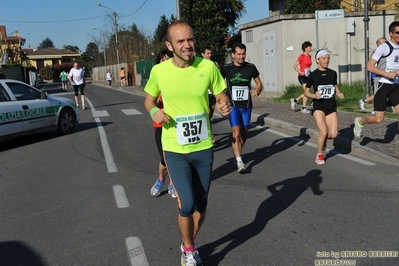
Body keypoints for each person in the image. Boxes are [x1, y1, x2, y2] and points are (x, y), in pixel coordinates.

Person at [144, 20, 231, 266]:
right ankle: (190, 250)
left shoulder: (208, 67)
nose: (187, 45)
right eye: (180, 41)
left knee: (201, 206)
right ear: (169, 45)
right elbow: (149, 100)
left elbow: (221, 95)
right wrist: (154, 113)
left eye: (190, 39)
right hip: (174, 147)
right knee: (187, 204)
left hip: (203, 146)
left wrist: (225, 105)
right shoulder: (159, 71)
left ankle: (186, 243)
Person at [221, 42, 263, 173]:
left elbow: (258, 82)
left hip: (246, 106)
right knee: (236, 132)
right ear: (233, 55)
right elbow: (216, 84)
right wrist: (221, 98)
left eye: (243, 54)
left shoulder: (251, 67)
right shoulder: (226, 69)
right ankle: (239, 161)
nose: (241, 56)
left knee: (244, 133)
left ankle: (237, 149)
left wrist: (257, 90)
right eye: (238, 54)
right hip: (233, 106)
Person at [354, 21, 399, 138]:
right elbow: (369, 66)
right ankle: (360, 122)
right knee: (379, 118)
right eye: (398, 32)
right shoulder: (384, 47)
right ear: (391, 33)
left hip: (396, 85)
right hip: (383, 84)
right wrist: (387, 74)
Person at [304, 50, 344, 165]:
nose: (326, 60)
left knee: (333, 134)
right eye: (324, 58)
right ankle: (320, 154)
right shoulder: (313, 75)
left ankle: (323, 140)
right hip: (318, 106)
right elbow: (306, 92)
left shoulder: (333, 73)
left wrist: (339, 93)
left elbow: (335, 86)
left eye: (328, 58)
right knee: (323, 131)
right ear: (317, 60)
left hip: (331, 106)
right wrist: (314, 96)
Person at [149, 47, 177, 198]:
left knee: (172, 156)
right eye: (162, 59)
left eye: (168, 58)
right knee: (165, 158)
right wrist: (156, 104)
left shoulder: (178, 76)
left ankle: (172, 183)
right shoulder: (156, 76)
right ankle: (161, 179)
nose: (165, 61)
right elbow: (148, 101)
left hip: (176, 123)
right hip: (160, 125)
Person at [358, 37, 387, 114]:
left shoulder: (386, 52)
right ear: (379, 44)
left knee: (383, 93)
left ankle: (374, 107)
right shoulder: (375, 53)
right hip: (376, 77)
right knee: (378, 93)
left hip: (385, 76)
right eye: (383, 43)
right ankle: (367, 103)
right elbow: (370, 65)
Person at [201, 47, 219, 143]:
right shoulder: (199, 65)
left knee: (210, 115)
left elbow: (218, 78)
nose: (209, 55)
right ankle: (209, 135)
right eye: (207, 53)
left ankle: (207, 132)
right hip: (204, 94)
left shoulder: (214, 64)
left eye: (210, 53)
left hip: (212, 94)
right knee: (206, 116)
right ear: (203, 54)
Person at [290, 41, 313, 114]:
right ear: (305, 48)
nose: (311, 48)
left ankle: (295, 100)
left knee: (307, 92)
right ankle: (303, 108)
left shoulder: (310, 56)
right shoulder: (301, 56)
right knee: (307, 92)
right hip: (302, 76)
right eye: (309, 47)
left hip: (308, 75)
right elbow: (294, 66)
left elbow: (308, 66)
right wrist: (300, 72)